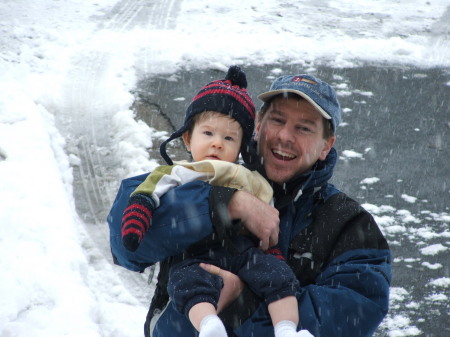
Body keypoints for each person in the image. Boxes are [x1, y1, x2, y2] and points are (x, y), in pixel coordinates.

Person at [107, 72, 391, 337]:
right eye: (277, 121)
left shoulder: (349, 223)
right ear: (258, 126)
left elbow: (355, 311)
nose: (285, 137)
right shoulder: (210, 177)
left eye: (303, 128)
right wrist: (223, 205)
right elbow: (125, 242)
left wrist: (244, 303)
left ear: (326, 146)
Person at [120, 66, 313, 337]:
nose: (218, 144)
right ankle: (209, 326)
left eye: (229, 138)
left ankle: (287, 329)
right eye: (208, 133)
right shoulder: (180, 173)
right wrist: (134, 227)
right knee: (188, 282)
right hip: (194, 256)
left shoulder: (252, 179)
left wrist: (272, 255)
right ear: (188, 137)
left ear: (242, 146)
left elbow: (267, 226)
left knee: (280, 279)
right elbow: (145, 196)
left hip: (245, 254)